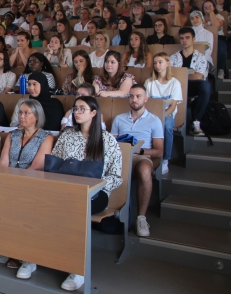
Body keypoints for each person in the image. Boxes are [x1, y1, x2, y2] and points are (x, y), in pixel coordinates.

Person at [54, 95, 123, 291]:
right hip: (66, 190)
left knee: (74, 211)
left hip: (95, 194)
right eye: (75, 109)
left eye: (82, 109)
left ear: (94, 113)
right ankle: (34, 257)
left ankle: (78, 270)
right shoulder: (67, 135)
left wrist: (95, 187)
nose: (76, 112)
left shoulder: (107, 139)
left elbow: (116, 175)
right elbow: (56, 165)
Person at [0, 99, 54, 278]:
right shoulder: (12, 135)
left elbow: (37, 166)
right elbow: (3, 163)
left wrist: (16, 184)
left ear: (37, 117)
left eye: (26, 113)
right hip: (9, 182)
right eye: (20, 113)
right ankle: (2, 247)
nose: (21, 116)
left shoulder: (46, 137)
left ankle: (27, 256)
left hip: (32, 184)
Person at [111, 85, 164, 238]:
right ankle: (112, 213)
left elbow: (159, 151)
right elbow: (112, 143)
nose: (134, 99)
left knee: (145, 170)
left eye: (138, 96)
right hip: (121, 155)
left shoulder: (154, 121)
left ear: (145, 99)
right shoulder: (119, 119)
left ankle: (141, 218)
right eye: (132, 96)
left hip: (142, 156)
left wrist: (139, 150)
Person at [145, 52, 182, 175]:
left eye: (160, 62)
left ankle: (165, 159)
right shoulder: (149, 82)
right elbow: (146, 103)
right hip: (151, 114)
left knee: (166, 126)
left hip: (167, 115)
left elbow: (172, 106)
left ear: (167, 63)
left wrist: (160, 118)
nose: (157, 65)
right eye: (155, 63)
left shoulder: (175, 83)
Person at [170, 27, 210, 136]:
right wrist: (188, 74)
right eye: (182, 38)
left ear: (193, 39)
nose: (184, 40)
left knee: (205, 86)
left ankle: (196, 121)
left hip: (192, 86)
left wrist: (181, 75)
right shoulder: (173, 58)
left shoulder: (200, 57)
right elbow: (170, 75)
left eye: (187, 38)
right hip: (176, 86)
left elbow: (198, 76)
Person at [203, 0, 228, 79]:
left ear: (214, 8)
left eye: (210, 6)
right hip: (204, 39)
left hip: (218, 38)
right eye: (205, 7)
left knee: (220, 49)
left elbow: (216, 25)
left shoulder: (219, 16)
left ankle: (221, 70)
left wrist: (211, 13)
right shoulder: (200, 17)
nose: (207, 8)